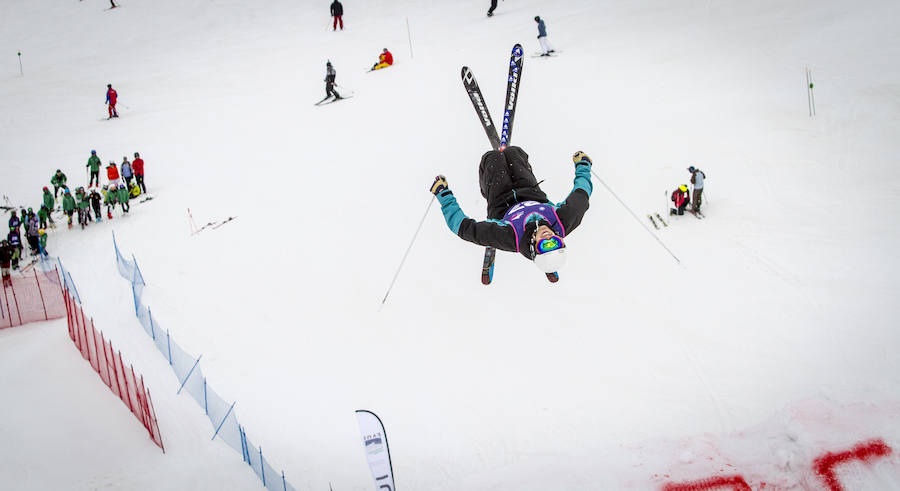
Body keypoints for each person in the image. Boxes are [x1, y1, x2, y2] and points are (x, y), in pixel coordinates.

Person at [431, 147, 593, 276]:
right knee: (513, 152)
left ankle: (491, 173)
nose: (549, 237)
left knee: (492, 158)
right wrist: (583, 166)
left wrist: (444, 196)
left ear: (532, 247)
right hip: (531, 192)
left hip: (502, 202)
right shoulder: (563, 221)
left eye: (545, 245)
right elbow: (581, 195)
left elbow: (463, 228)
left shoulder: (510, 237)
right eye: (556, 242)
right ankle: (508, 156)